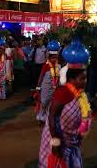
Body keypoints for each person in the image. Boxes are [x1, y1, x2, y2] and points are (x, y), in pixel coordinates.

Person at [39, 39, 92, 168]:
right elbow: (52, 115)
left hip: (72, 142)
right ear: (71, 78)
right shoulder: (63, 92)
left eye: (86, 78)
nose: (85, 82)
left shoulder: (80, 94)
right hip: (57, 139)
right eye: (82, 79)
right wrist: (56, 141)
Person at [35, 41, 61, 125]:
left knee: (51, 103)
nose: (54, 59)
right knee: (44, 102)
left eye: (55, 58)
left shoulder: (58, 66)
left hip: (54, 87)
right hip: (45, 87)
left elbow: (59, 77)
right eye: (52, 58)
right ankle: (40, 117)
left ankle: (47, 118)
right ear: (49, 58)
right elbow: (41, 77)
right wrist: (38, 87)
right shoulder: (46, 66)